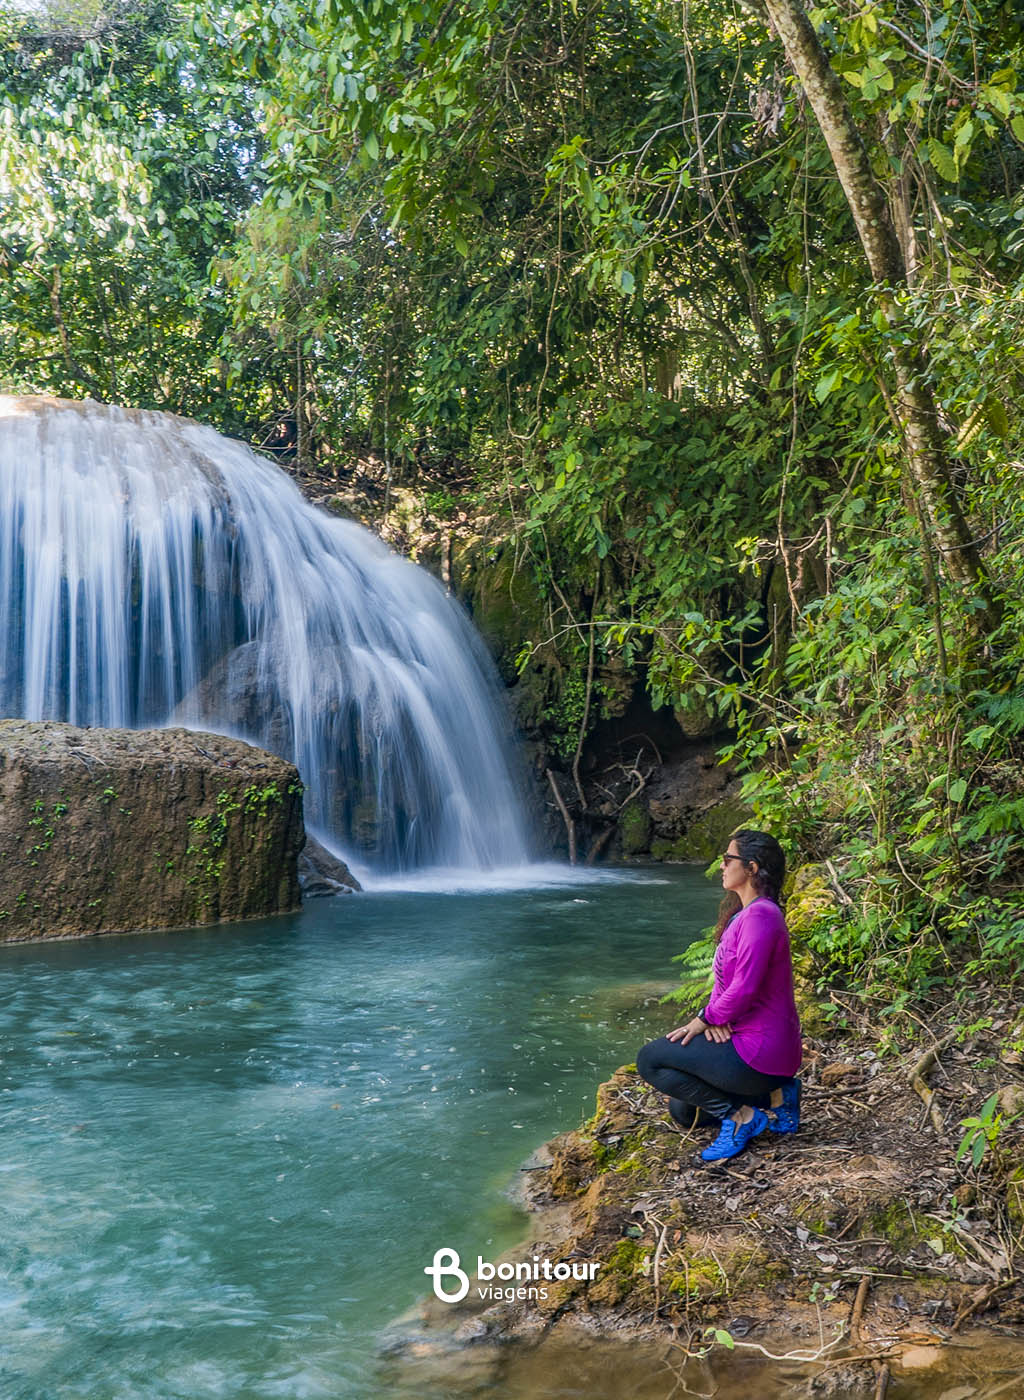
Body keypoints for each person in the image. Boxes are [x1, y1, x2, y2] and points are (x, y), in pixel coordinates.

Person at [636, 830, 802, 1162]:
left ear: (752, 867)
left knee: (650, 1060)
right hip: (742, 1037)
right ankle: (777, 1097)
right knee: (684, 1112)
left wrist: (705, 1020)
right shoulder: (745, 915)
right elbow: (728, 986)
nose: (722, 866)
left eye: (728, 859)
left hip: (761, 1050)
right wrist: (716, 1017)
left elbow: (746, 988)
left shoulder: (762, 917)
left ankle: (742, 1118)